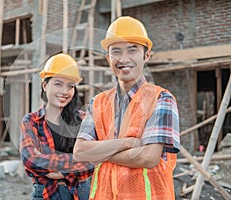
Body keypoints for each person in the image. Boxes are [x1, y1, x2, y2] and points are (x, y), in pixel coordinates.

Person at [73, 16, 180, 200]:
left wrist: (100, 153)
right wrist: (129, 143)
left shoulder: (161, 99)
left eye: (132, 50)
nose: (124, 59)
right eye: (116, 51)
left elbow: (148, 157)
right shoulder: (98, 102)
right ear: (108, 58)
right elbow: (80, 152)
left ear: (146, 55)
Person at [20, 53, 94, 200]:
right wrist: (75, 162)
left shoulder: (83, 119)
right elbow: (30, 159)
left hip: (80, 193)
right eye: (58, 84)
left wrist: (57, 169)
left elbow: (94, 160)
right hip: (45, 193)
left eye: (70, 86)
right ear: (45, 85)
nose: (64, 92)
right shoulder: (32, 121)